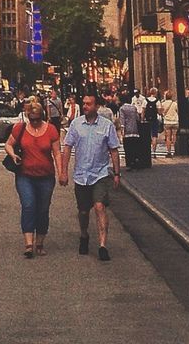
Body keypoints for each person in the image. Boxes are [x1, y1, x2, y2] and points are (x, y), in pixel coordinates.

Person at [60, 91, 121, 261]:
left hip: (100, 173)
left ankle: (103, 245)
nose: (85, 106)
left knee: (100, 206)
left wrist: (116, 173)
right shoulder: (76, 125)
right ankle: (84, 235)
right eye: (84, 103)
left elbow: (114, 150)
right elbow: (67, 148)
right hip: (81, 175)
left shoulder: (106, 126)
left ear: (97, 106)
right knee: (83, 211)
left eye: (89, 104)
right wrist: (63, 171)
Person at [5, 96, 64, 257]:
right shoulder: (20, 128)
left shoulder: (51, 129)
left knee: (43, 209)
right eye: (32, 119)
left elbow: (57, 153)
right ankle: (29, 244)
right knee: (29, 205)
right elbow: (8, 144)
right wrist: (13, 155)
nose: (35, 122)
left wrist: (62, 173)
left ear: (42, 116)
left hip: (46, 176)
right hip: (25, 175)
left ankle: (40, 242)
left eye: (37, 119)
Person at [116, 92, 142, 170]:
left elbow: (122, 120)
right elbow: (137, 118)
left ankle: (129, 163)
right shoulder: (133, 108)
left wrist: (122, 130)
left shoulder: (122, 108)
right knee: (135, 147)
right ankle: (135, 162)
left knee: (127, 148)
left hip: (127, 130)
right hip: (135, 129)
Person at [158, 89, 180, 157]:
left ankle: (169, 151)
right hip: (175, 121)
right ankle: (176, 150)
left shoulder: (163, 104)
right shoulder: (175, 104)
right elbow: (178, 111)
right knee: (175, 136)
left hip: (167, 121)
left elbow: (160, 112)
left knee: (168, 137)